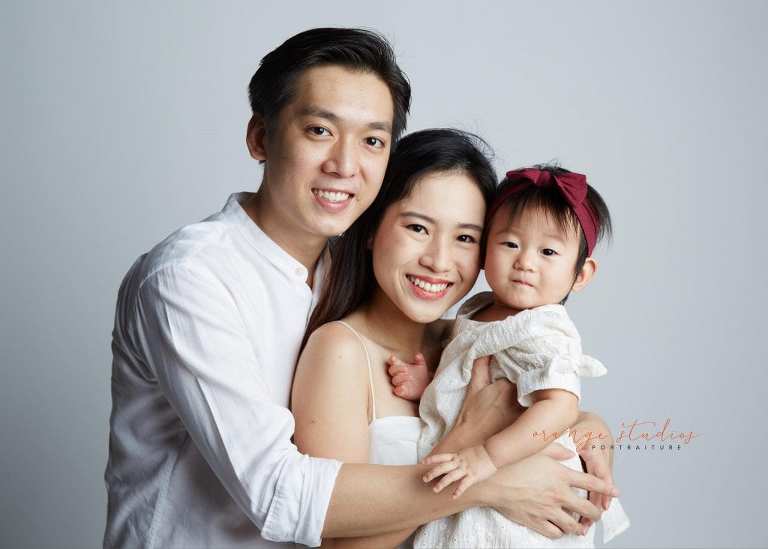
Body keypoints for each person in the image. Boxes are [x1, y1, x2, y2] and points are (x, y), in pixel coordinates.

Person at [104, 27, 616, 549]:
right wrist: (487, 472)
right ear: (261, 137)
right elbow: (281, 495)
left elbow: (520, 400)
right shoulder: (191, 279)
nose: (345, 165)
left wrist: (581, 423)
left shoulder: (361, 284)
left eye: (372, 140)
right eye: (320, 131)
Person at [293, 133, 620, 548]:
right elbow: (337, 546)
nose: (439, 260)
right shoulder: (340, 351)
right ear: (371, 226)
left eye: (465, 237)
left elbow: (547, 405)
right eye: (417, 227)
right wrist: (477, 461)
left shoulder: (470, 340)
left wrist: (591, 430)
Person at [401, 166, 630, 548]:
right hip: (480, 481)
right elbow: (478, 382)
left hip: (518, 482)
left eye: (548, 252)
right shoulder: (478, 310)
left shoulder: (544, 330)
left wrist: (487, 458)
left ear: (581, 274)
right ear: (485, 247)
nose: (526, 261)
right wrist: (431, 386)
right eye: (510, 244)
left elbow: (559, 408)